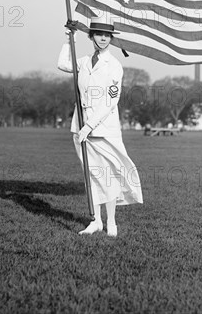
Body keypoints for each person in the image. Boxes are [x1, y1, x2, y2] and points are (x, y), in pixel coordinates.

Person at [58, 16, 143, 237]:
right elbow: (63, 65)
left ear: (111, 38)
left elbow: (110, 101)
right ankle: (95, 220)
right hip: (80, 127)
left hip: (103, 129)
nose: (103, 38)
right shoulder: (84, 61)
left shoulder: (114, 65)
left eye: (107, 35)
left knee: (108, 176)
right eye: (98, 34)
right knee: (91, 174)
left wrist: (90, 126)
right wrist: (69, 39)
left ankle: (111, 222)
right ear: (91, 36)